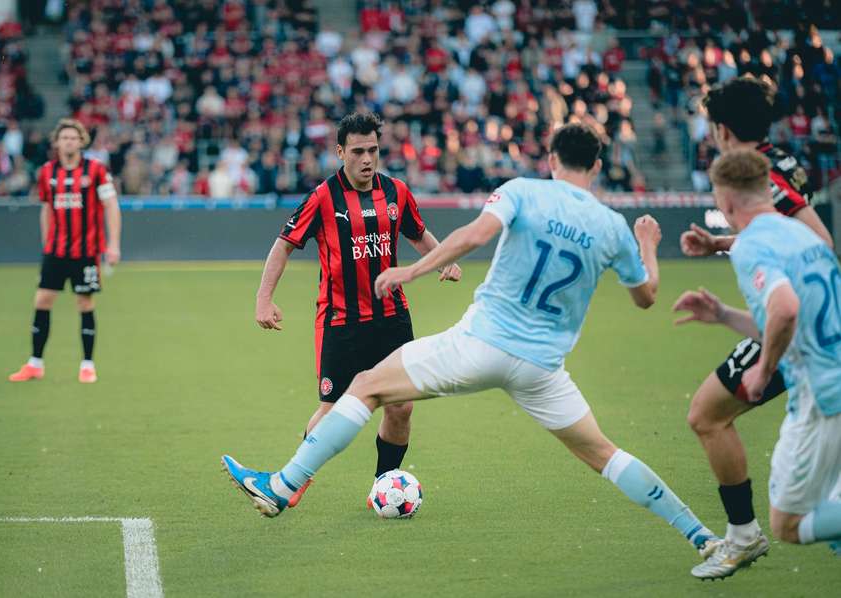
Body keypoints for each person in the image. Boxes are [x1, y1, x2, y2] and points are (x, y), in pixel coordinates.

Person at [222, 124, 719, 560]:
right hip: (542, 367)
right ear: (597, 164)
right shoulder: (611, 226)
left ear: (550, 160)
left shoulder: (523, 190)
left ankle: (283, 486)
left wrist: (414, 269)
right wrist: (649, 244)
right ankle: (700, 535)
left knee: (368, 387)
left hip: (480, 345)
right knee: (605, 454)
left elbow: (475, 234)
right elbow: (648, 296)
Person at [252, 112, 461, 508]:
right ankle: (292, 482)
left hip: (391, 318)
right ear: (340, 152)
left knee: (401, 406)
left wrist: (441, 259)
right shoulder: (322, 198)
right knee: (332, 410)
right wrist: (264, 298)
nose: (367, 159)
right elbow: (283, 244)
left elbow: (417, 233)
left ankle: (385, 485)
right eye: (358, 151)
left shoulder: (397, 191)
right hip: (341, 321)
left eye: (373, 150)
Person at [678, 77, 834, 576]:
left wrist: (771, 358)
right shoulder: (779, 161)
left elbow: (818, 243)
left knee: (706, 414)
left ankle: (744, 536)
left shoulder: (765, 177)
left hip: (806, 341)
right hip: (813, 327)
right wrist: (728, 246)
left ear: (723, 130)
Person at [8, 119, 121, 384]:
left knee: (84, 303)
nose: (69, 142)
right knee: (42, 301)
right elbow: (46, 208)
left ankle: (87, 365)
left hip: (87, 251)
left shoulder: (96, 170)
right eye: (64, 138)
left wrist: (113, 245)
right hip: (56, 251)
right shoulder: (47, 172)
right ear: (56, 142)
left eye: (74, 138)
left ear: (82, 141)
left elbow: (111, 206)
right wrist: (47, 243)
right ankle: (35, 363)